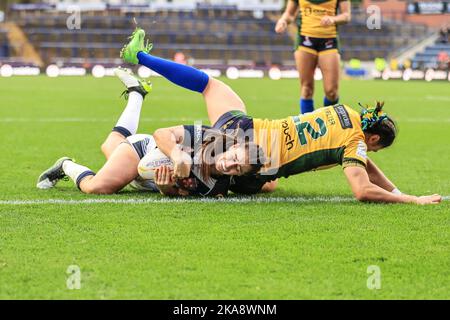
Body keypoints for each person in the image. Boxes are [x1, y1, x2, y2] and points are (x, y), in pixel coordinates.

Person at [119, 28, 442, 205]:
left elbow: (366, 163)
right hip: (253, 155)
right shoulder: (355, 142)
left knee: (208, 85)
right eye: (374, 148)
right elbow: (362, 189)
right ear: (371, 138)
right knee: (229, 179)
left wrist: (396, 189)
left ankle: (142, 57)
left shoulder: (347, 112)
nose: (369, 153)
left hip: (248, 132)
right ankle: (153, 169)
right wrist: (411, 200)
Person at [36, 68, 265, 197]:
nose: (230, 165)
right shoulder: (209, 138)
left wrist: (166, 187)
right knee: (98, 187)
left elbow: (179, 194)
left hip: (149, 178)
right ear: (233, 147)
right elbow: (161, 134)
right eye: (234, 158)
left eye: (238, 168)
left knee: (110, 145)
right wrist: (177, 156)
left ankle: (136, 93)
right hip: (143, 150)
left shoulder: (218, 189)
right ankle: (65, 164)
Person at [274, 0, 351, 113]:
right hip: (305, 40)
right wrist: (283, 21)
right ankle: (307, 128)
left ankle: (329, 124)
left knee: (332, 92)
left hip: (329, 41)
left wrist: (333, 19)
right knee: (306, 89)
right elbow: (290, 14)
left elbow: (346, 16)